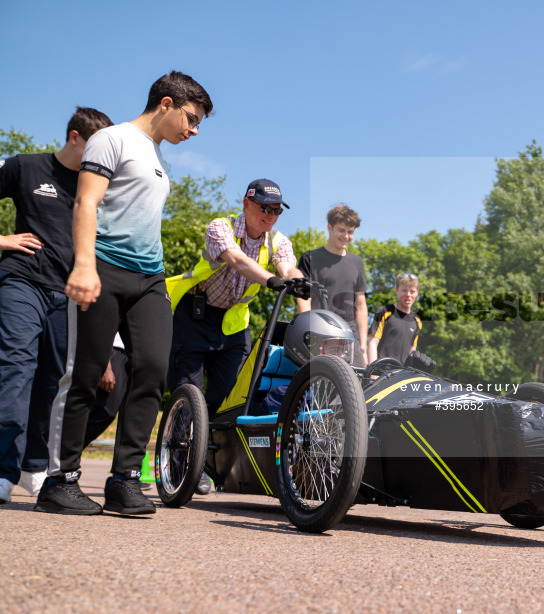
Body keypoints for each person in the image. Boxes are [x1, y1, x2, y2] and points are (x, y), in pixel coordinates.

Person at [38, 71, 213, 516]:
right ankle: (61, 480)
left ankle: (124, 480)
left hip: (150, 277)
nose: (193, 131)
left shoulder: (156, 156)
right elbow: (86, 203)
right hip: (104, 268)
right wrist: (82, 264)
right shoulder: (111, 139)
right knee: (85, 375)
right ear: (167, 104)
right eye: (191, 119)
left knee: (153, 370)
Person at [0, 107, 113, 505]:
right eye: (98, 148)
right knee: (17, 369)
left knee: (55, 384)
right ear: (74, 137)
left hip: (68, 296)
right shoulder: (24, 167)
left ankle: (34, 466)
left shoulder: (98, 188)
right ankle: (2, 470)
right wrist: (3, 240)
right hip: (22, 281)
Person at [166, 178, 304, 416]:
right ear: (246, 203)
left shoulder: (278, 241)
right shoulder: (220, 227)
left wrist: (297, 281)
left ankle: (210, 450)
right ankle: (179, 451)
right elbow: (237, 259)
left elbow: (287, 267)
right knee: (187, 398)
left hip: (234, 327)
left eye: (277, 211)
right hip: (195, 319)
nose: (271, 215)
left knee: (229, 400)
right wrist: (269, 279)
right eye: (265, 208)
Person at [297, 203, 368, 366]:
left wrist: (362, 344)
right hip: (321, 333)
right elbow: (303, 299)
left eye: (350, 232)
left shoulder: (357, 263)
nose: (346, 236)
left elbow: (361, 305)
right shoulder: (310, 258)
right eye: (341, 230)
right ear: (329, 228)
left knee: (357, 388)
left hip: (351, 338)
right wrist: (308, 333)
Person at [366, 272, 423, 365]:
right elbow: (372, 343)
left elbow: (412, 351)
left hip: (401, 375)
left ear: (417, 293)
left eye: (412, 291)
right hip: (381, 372)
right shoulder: (384, 312)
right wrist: (372, 372)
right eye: (404, 290)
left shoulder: (417, 321)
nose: (408, 295)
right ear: (396, 291)